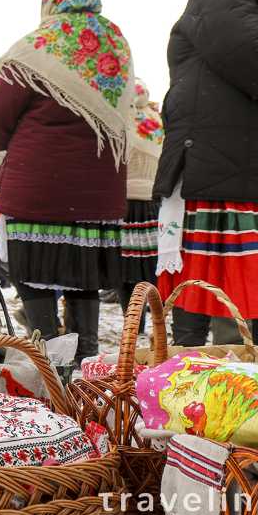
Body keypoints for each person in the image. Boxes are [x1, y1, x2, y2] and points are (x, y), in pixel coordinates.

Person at [0, 0, 134, 366]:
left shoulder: (37, 48)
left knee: (33, 275)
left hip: (39, 190)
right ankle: (86, 366)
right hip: (97, 195)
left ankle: (46, 362)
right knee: (84, 278)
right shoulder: (115, 45)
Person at [154, 0, 258, 347]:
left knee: (221, 302)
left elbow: (241, 46)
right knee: (253, 301)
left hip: (222, 169)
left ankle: (206, 398)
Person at [117, 79, 164, 330]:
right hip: (153, 201)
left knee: (125, 269)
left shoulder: (123, 118)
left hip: (124, 200)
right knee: (152, 266)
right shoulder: (156, 121)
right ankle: (156, 319)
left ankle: (132, 323)